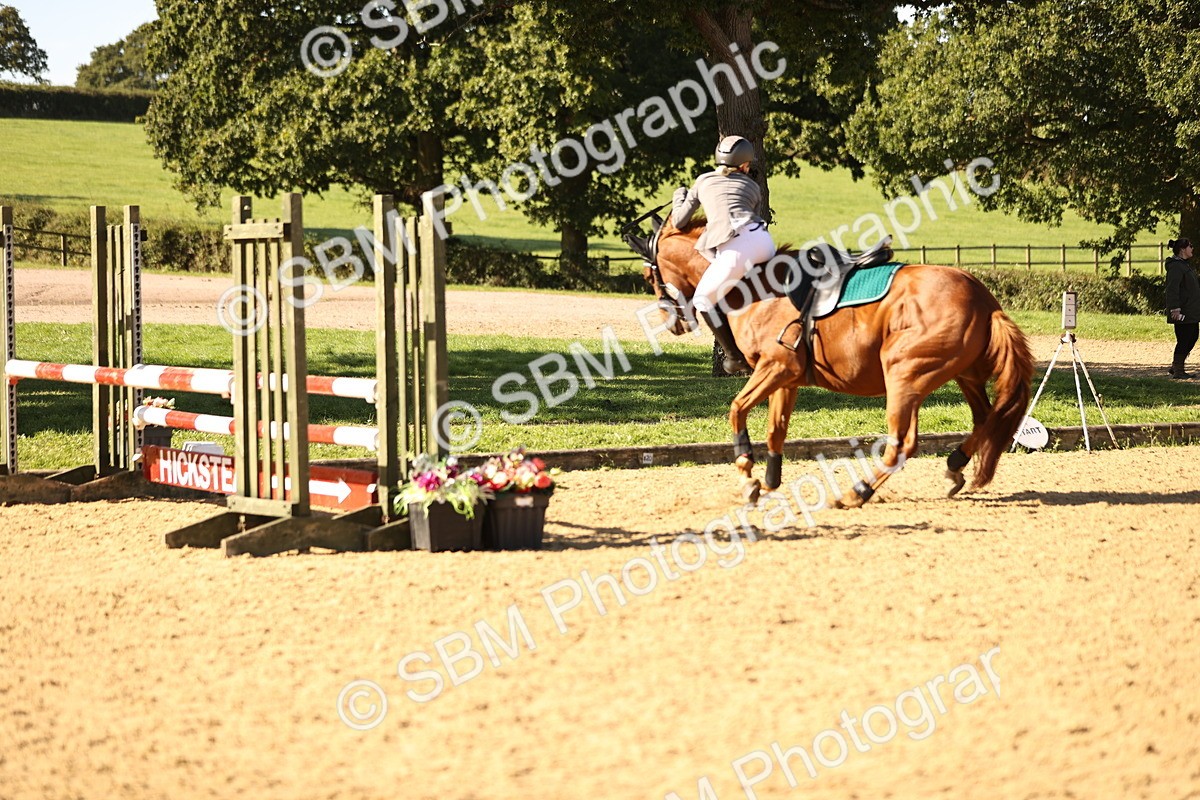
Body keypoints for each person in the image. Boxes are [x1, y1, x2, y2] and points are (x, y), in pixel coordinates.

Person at [672, 135, 776, 374]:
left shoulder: (703, 180)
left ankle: (734, 357)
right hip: (763, 240)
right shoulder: (753, 186)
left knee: (702, 300)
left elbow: (679, 221)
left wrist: (680, 196)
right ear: (744, 164)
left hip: (738, 246)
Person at [1164, 237, 1199, 379]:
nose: (1192, 248)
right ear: (1182, 249)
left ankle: (1176, 366)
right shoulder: (1176, 267)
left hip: (1191, 310)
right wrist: (1175, 309)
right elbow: (1172, 289)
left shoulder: (1184, 265)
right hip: (1182, 310)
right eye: (1190, 246)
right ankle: (1178, 370)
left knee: (1192, 337)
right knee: (1185, 339)